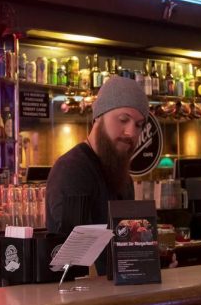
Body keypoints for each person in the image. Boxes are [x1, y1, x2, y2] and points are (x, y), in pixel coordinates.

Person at [45, 76, 149, 270]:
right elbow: (77, 257)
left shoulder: (124, 178)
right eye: (123, 120)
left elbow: (127, 244)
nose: (131, 133)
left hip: (117, 295)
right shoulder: (72, 169)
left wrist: (149, 259)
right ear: (98, 117)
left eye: (139, 125)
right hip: (79, 296)